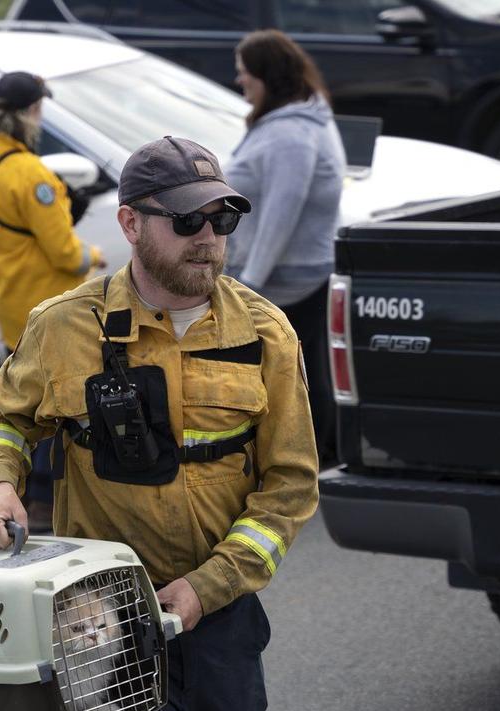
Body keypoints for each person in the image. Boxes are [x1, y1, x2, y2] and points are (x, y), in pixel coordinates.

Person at [0, 135, 319, 711]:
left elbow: (290, 487)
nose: (208, 236)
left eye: (222, 219)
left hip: (220, 618)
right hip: (105, 616)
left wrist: (207, 586)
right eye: (187, 221)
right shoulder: (63, 327)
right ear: (130, 223)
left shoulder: (265, 334)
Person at [0, 70, 106, 530]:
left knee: (19, 399)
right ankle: (42, 499)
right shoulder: (31, 173)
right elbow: (65, 253)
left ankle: (21, 490)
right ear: (30, 112)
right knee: (54, 405)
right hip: (43, 302)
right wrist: (97, 257)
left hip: (8, 299)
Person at [223, 29, 346, 466]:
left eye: (245, 73)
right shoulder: (299, 119)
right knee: (302, 370)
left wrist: (248, 283)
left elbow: (281, 212)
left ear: (267, 75)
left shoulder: (291, 134)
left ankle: (300, 463)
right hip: (294, 274)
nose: (241, 82)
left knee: (289, 376)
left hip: (286, 280)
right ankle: (305, 458)